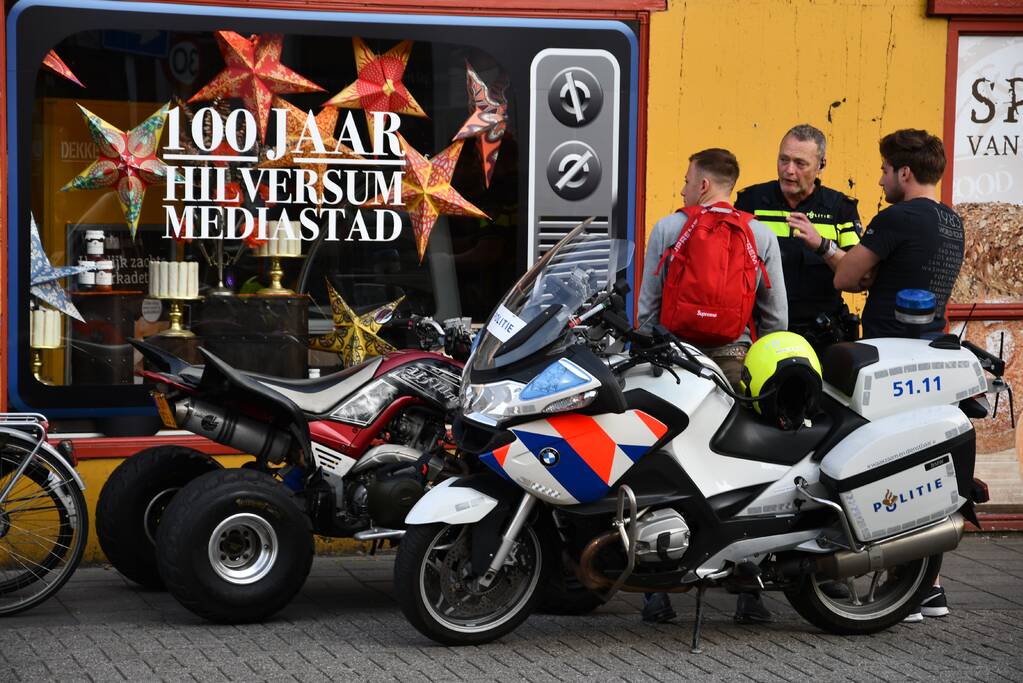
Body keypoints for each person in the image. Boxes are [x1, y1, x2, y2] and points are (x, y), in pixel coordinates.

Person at [637, 147, 787, 624]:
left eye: (686, 180)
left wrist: (647, 357)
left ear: (703, 185)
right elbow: (776, 318)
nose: (683, 188)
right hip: (733, 365)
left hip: (674, 366)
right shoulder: (759, 234)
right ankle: (748, 587)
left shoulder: (668, 228)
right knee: (740, 469)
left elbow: (646, 310)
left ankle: (656, 590)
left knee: (661, 466)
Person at [834, 128, 964, 621]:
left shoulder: (897, 217)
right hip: (933, 357)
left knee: (883, 468)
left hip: (889, 361)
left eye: (885, 170)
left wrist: (834, 254)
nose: (880, 179)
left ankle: (901, 585)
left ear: (904, 173)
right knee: (925, 466)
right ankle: (929, 586)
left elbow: (847, 277)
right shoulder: (952, 222)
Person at [735, 124, 862, 357]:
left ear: (821, 165)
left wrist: (823, 245)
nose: (789, 170)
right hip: (760, 334)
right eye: (783, 160)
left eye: (800, 163)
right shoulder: (751, 202)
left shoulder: (840, 208)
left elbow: (857, 278)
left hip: (822, 336)